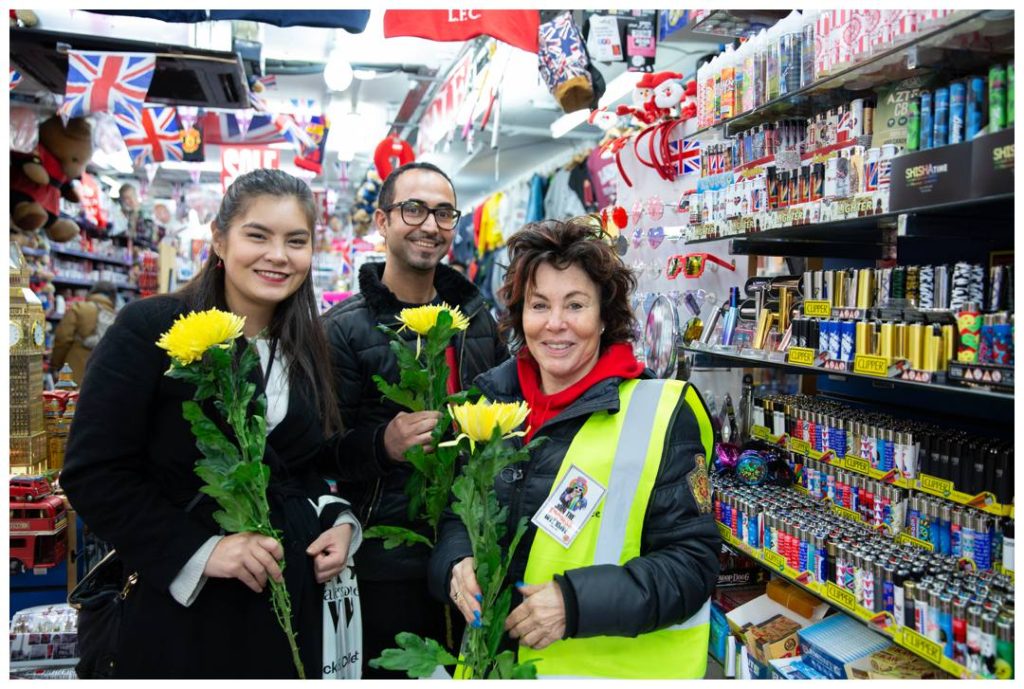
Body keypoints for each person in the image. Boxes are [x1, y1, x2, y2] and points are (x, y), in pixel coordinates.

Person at [61, 169, 362, 678]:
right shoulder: (152, 328)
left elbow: (299, 466)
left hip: (289, 609)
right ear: (220, 239)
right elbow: (94, 473)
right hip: (183, 617)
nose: (278, 256)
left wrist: (337, 520)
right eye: (257, 235)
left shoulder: (310, 345)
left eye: (296, 241)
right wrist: (202, 552)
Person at [429, 217, 721, 679]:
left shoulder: (661, 415)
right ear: (520, 313)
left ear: (606, 316)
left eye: (576, 305)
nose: (555, 324)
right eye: (539, 304)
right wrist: (455, 564)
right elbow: (455, 517)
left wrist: (575, 603)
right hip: (495, 667)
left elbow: (694, 565)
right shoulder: (489, 405)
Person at [323, 161, 508, 677]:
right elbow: (317, 451)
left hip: (473, 551)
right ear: (382, 222)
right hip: (387, 564)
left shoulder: (477, 322)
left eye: (444, 212)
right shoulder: (342, 330)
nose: (430, 224)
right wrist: (382, 443)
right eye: (413, 209)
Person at [49, 280, 117, 385]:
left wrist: (55, 365)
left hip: (74, 374)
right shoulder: (116, 317)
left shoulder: (79, 308)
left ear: (92, 292)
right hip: (103, 379)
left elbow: (62, 339)